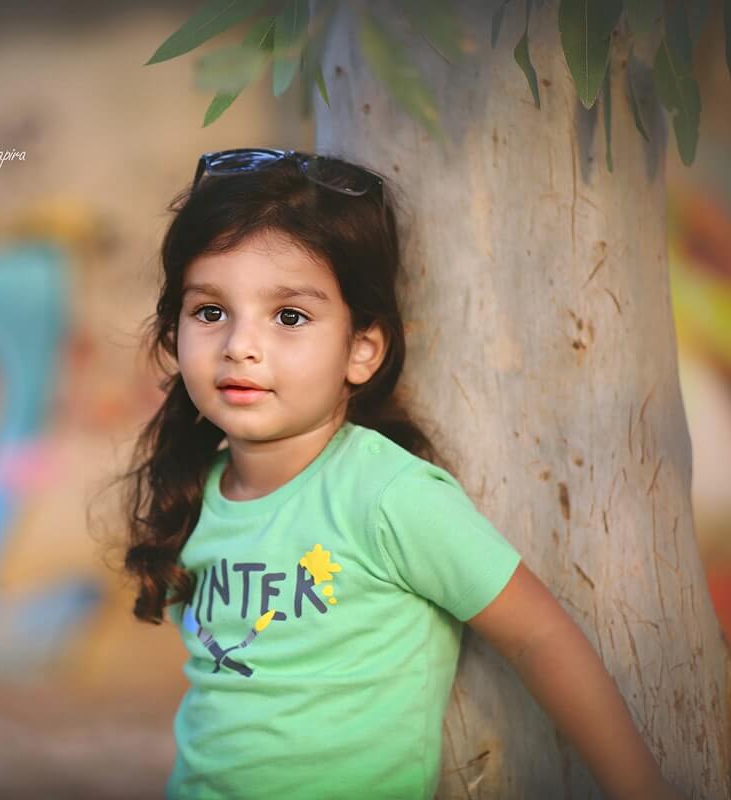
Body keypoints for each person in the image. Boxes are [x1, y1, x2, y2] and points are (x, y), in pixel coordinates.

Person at [115, 148, 683, 799]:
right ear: (174, 332)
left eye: (290, 316)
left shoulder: (388, 496)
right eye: (210, 312)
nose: (240, 345)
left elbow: (539, 636)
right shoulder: (198, 493)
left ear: (362, 349)